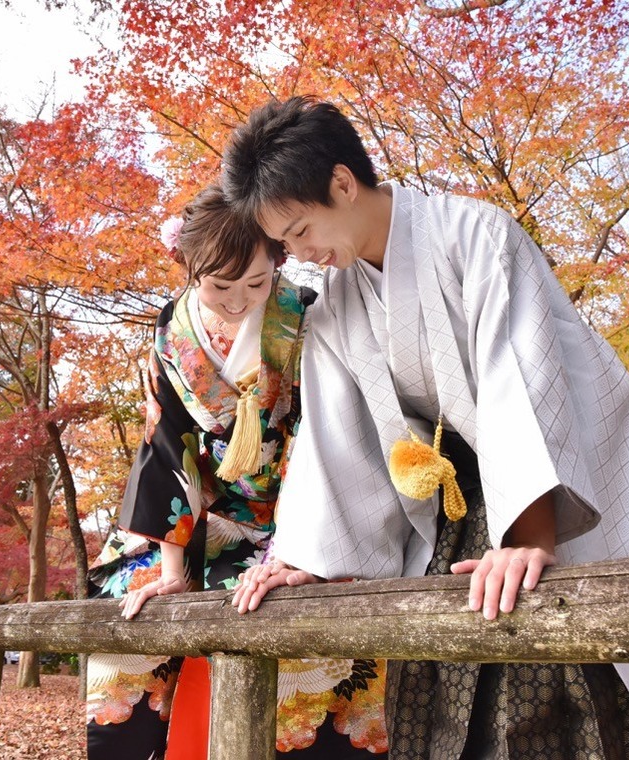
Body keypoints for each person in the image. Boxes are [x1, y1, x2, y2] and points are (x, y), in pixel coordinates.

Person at [224, 97, 629, 759]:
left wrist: (529, 535)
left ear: (341, 182)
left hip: (550, 490)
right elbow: (335, 437)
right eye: (285, 243)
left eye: (300, 231)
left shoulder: (477, 235)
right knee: (432, 692)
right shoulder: (333, 308)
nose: (299, 254)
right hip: (458, 507)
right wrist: (304, 558)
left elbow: (517, 379)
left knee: (553, 686)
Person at [85, 183, 388, 760]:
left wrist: (294, 551)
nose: (236, 301)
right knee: (129, 618)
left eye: (255, 283)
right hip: (193, 516)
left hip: (294, 516)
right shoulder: (172, 331)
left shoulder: (305, 315)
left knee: (309, 626)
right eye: (219, 285)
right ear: (188, 266)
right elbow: (166, 442)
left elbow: (319, 435)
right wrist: (171, 567)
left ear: (276, 261)